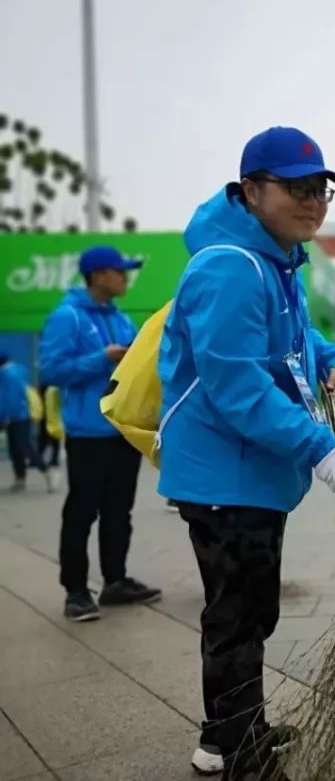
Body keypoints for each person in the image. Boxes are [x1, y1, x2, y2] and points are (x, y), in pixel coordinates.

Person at [158, 126, 335, 780]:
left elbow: (294, 338)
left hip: (251, 470)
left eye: (322, 189)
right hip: (226, 473)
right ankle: (240, 756)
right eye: (298, 187)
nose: (314, 200)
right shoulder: (228, 267)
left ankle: (230, 731)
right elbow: (236, 384)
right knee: (239, 618)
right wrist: (321, 447)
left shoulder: (275, 263)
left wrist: (331, 357)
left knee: (251, 611)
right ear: (251, 190)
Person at [39, 246, 160, 623]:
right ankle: (75, 592)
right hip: (87, 433)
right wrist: (101, 358)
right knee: (82, 511)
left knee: (118, 511)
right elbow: (52, 371)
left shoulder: (121, 319)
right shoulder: (68, 317)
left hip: (120, 430)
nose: (125, 277)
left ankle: (115, 581)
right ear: (97, 275)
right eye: (120, 271)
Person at [0, 354, 55, 493]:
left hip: (15, 416)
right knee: (18, 447)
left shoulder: (7, 375)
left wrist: (6, 416)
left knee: (22, 447)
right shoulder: (19, 371)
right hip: (23, 415)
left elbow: (9, 398)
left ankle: (44, 471)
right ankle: (21, 479)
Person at [36, 384, 62, 469]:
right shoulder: (55, 386)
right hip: (51, 416)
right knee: (50, 438)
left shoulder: (51, 387)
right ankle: (52, 459)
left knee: (48, 437)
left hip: (50, 416)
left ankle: (41, 458)